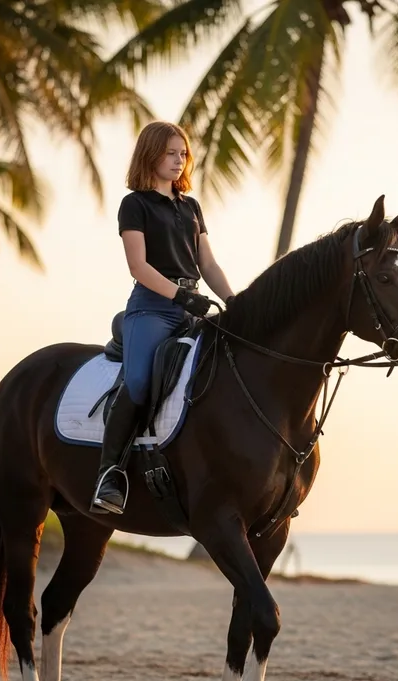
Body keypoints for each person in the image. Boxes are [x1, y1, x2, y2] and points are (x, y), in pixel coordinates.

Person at [91, 121, 235, 514]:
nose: (178, 160)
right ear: (150, 155)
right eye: (170, 153)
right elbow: (138, 266)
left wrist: (233, 300)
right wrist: (181, 297)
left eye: (183, 153)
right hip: (152, 308)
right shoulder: (134, 204)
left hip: (191, 304)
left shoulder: (190, 207)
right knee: (138, 382)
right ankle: (110, 475)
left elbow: (207, 262)